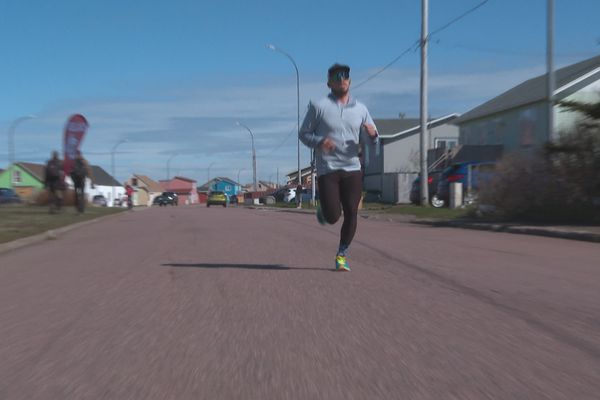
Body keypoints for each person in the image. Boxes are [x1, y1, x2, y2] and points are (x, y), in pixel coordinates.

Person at [299, 63, 379, 271]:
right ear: (329, 83)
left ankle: (342, 254)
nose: (341, 79)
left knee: (352, 212)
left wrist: (373, 136)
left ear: (350, 82)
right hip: (328, 168)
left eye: (345, 76)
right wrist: (319, 141)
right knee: (334, 216)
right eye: (336, 77)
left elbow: (373, 140)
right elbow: (303, 134)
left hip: (352, 167)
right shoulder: (318, 107)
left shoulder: (361, 109)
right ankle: (325, 211)